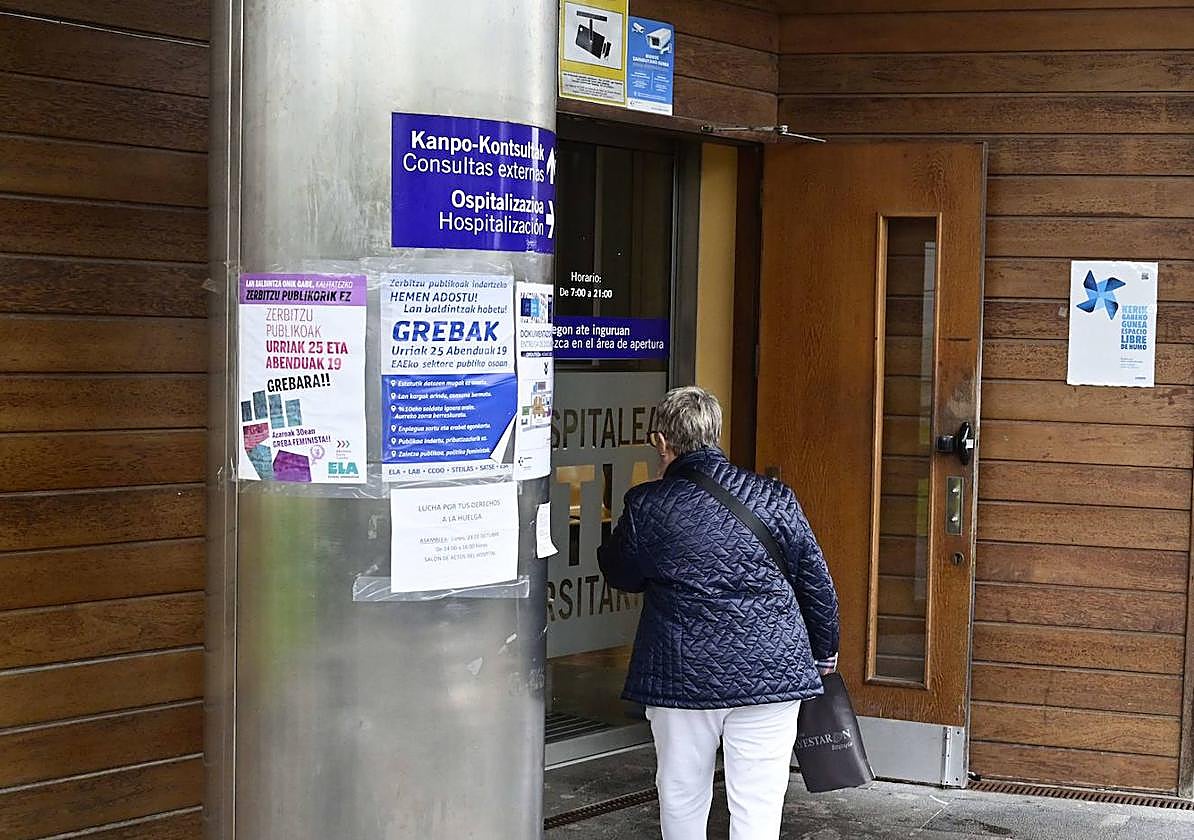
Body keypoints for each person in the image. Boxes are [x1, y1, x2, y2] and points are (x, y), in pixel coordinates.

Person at [598, 386, 840, 840]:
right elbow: (816, 585)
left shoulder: (647, 504)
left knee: (682, 793)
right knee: (758, 803)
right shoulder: (775, 498)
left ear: (661, 442)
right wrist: (824, 654)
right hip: (771, 669)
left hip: (681, 673)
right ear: (716, 435)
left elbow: (620, 573)